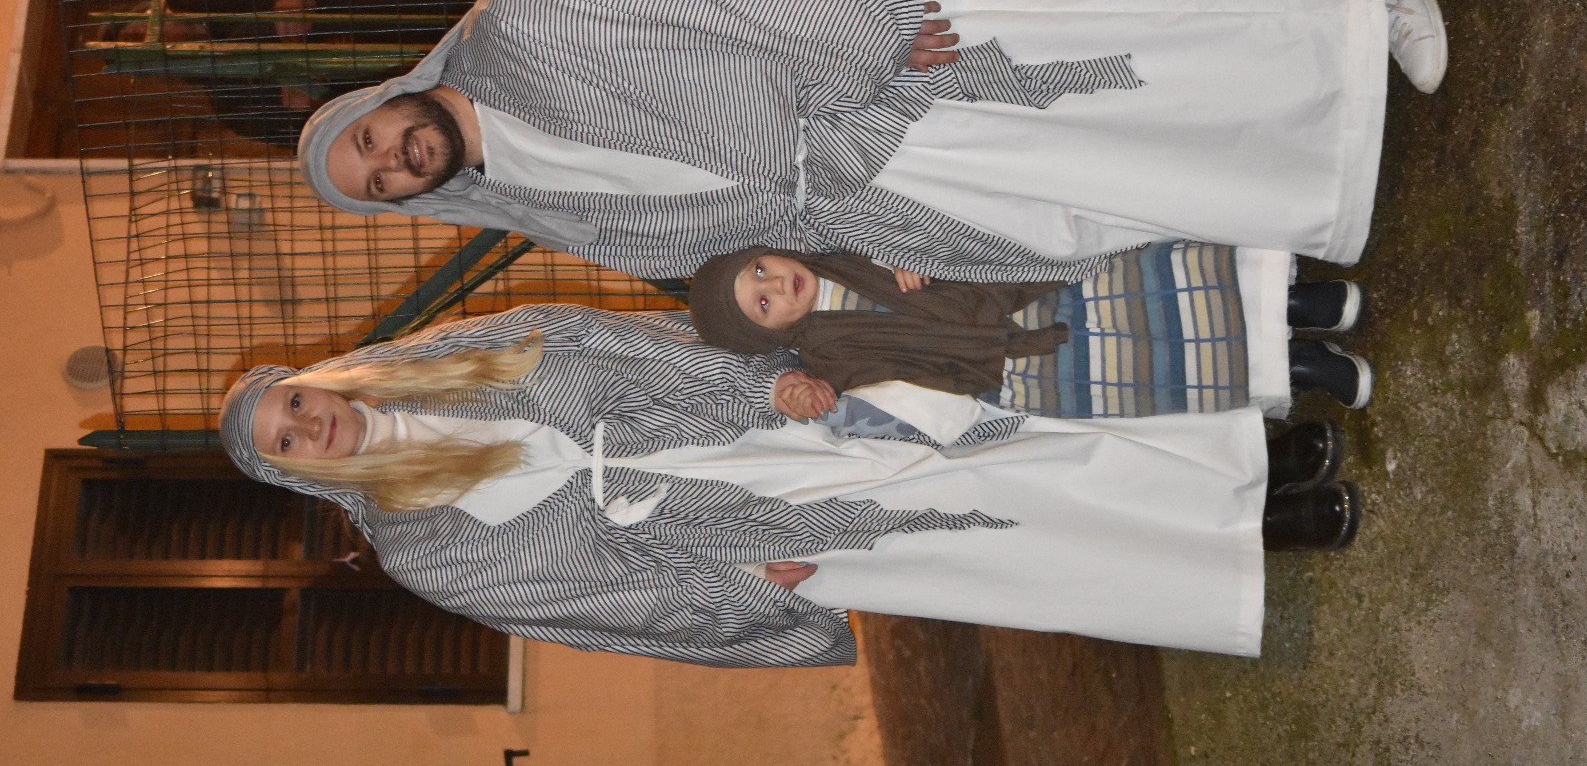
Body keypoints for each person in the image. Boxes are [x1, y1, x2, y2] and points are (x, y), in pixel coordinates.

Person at [295, 0, 1447, 283]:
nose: (393, 159)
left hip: (894, 65)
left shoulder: (522, 21)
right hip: (881, 184)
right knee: (1114, 175)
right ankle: (1324, 145)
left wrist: (876, 43)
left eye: (369, 140)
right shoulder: (530, 207)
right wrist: (849, 248)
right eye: (379, 182)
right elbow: (712, 241)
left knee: (1133, 43)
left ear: (380, 100)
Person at [220, 303, 1359, 669]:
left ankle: (1249, 458)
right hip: (738, 531)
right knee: (1007, 532)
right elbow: (592, 601)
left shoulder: (449, 355)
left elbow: (608, 341)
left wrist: (761, 384)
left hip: (760, 416)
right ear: (294, 471)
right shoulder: (424, 549)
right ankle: (1260, 533)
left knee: (1017, 427)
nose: (312, 424)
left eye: (296, 401)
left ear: (316, 380)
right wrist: (738, 591)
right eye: (289, 440)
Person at [688, 243, 1376, 413]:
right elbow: (856, 390)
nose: (776, 285)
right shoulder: (825, 354)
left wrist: (902, 247)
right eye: (762, 304)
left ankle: (1290, 303)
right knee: (1160, 367)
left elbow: (914, 214)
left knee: (1160, 281)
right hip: (1011, 362)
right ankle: (1296, 370)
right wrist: (805, 391)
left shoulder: (844, 243)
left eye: (760, 271)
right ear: (769, 336)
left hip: (1021, 277)